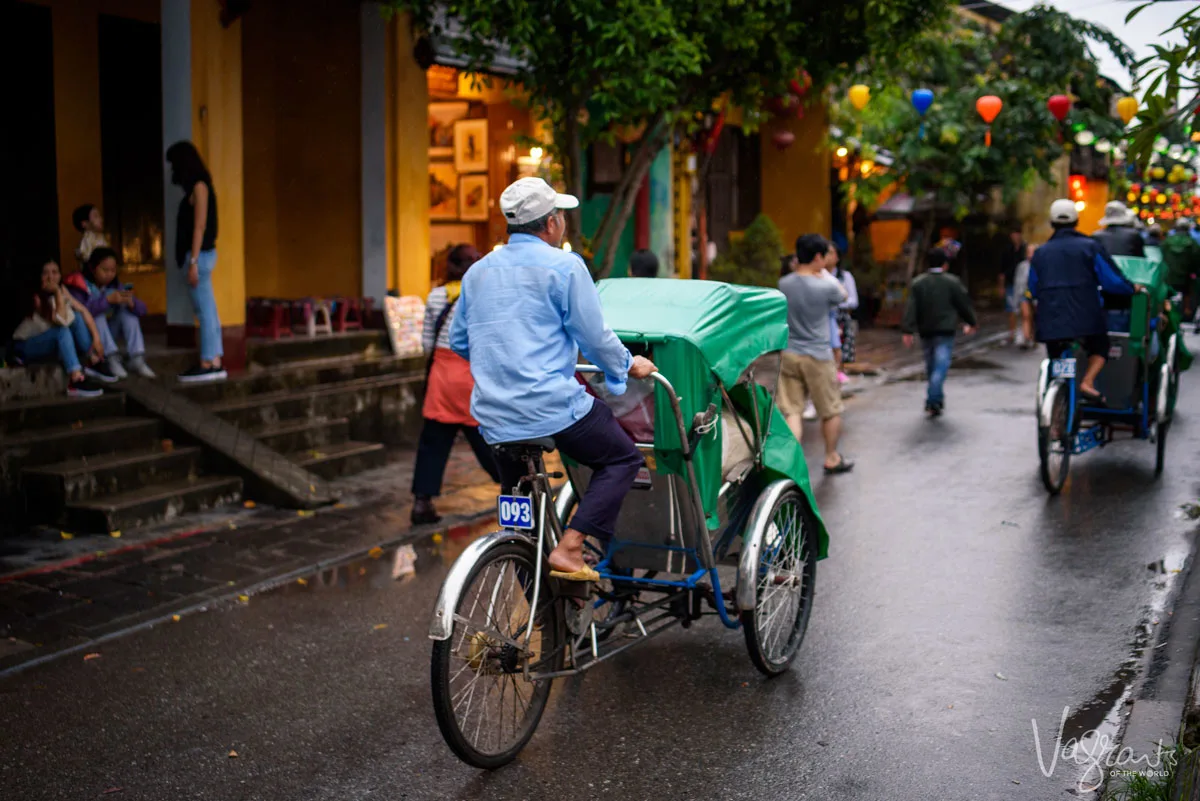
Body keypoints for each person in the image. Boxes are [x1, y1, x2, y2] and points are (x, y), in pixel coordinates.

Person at [450, 177, 657, 582]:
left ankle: (535, 611)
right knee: (623, 458)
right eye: (560, 216)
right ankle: (572, 544)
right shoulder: (564, 265)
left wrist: (503, 362)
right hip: (551, 407)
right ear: (550, 224)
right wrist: (628, 364)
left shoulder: (478, 273)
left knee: (521, 523)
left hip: (494, 414)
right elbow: (595, 337)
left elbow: (460, 340)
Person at [411, 244, 501, 525]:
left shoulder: (436, 296)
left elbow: (427, 341)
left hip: (442, 375)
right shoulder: (484, 294)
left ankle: (422, 503)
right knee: (488, 440)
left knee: (434, 442)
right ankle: (513, 489)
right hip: (472, 373)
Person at [1028, 199, 1137, 404]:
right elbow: (1111, 281)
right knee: (1100, 347)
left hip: (1050, 321)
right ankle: (1087, 381)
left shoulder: (1040, 253)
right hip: (1085, 320)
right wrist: (1131, 288)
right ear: (1076, 221)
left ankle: (1055, 402)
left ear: (1052, 222)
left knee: (1056, 355)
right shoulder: (1090, 247)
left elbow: (1033, 288)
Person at [777, 234, 853, 474]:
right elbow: (844, 295)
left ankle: (790, 463)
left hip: (789, 354)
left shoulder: (785, 283)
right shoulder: (826, 286)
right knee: (830, 410)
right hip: (818, 355)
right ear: (819, 257)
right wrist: (825, 273)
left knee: (792, 411)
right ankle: (831, 457)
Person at [167, 141, 226, 383]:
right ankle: (215, 361)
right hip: (200, 257)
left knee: (204, 311)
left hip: (199, 257)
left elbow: (199, 227)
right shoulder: (198, 187)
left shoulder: (200, 188)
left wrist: (192, 261)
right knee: (209, 310)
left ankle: (208, 362)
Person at [10, 260, 113, 397]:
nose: (50, 277)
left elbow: (83, 310)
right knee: (62, 331)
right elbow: (60, 321)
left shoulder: (62, 292)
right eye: (46, 273)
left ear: (60, 276)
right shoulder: (38, 298)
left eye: (55, 272)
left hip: (47, 344)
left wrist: (96, 339)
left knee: (76, 315)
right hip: (23, 347)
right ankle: (75, 379)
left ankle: (92, 359)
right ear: (39, 277)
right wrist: (58, 292)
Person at [901, 248, 978, 416]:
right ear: (945, 264)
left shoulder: (918, 283)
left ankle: (936, 398)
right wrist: (971, 321)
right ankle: (934, 399)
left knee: (931, 365)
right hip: (945, 329)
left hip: (925, 329)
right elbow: (963, 304)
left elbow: (911, 308)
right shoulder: (952, 282)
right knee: (941, 365)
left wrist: (908, 329)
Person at [64, 247, 155, 379]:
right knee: (98, 316)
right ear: (92, 268)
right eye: (105, 270)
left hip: (108, 334)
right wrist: (106, 300)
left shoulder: (115, 285)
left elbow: (143, 310)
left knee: (128, 312)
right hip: (88, 338)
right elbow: (81, 312)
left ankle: (137, 357)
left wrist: (131, 303)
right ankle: (111, 358)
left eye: (113, 270)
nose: (109, 274)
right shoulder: (79, 285)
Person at [827, 244, 858, 383]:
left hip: (840, 317)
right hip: (822, 317)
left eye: (832, 253)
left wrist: (837, 302)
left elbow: (853, 300)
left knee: (838, 348)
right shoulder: (816, 276)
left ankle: (838, 372)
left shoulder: (845, 276)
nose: (828, 256)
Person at [1162, 218, 1200, 318]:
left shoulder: (1167, 241)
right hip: (1186, 278)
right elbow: (1196, 261)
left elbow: (1161, 257)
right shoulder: (1192, 243)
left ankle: (1166, 309)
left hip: (1168, 277)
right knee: (1190, 288)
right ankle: (1187, 310)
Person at [999, 225, 1025, 345]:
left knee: (1025, 310)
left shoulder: (1025, 249)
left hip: (1024, 283)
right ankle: (1012, 334)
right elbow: (1002, 270)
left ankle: (1027, 334)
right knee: (1011, 310)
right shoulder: (1007, 250)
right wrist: (1001, 286)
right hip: (1010, 283)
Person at [1013, 243, 1037, 348]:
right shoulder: (1022, 266)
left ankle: (1033, 336)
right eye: (1029, 252)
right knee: (1026, 315)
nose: (1030, 255)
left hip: (1036, 294)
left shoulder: (1041, 265)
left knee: (1035, 317)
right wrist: (1016, 298)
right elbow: (1018, 283)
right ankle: (1026, 338)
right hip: (1024, 293)